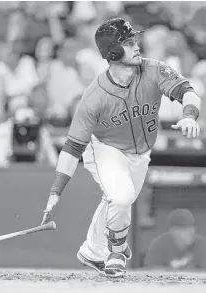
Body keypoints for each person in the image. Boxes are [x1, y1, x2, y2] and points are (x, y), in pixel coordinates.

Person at [40, 18, 202, 278]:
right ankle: (115, 251)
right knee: (121, 196)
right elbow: (72, 148)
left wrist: (190, 115)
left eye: (134, 40)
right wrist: (55, 191)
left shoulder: (153, 70)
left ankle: (92, 251)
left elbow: (188, 91)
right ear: (112, 52)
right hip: (105, 147)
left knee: (117, 201)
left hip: (141, 153)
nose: (136, 46)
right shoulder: (95, 95)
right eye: (128, 43)